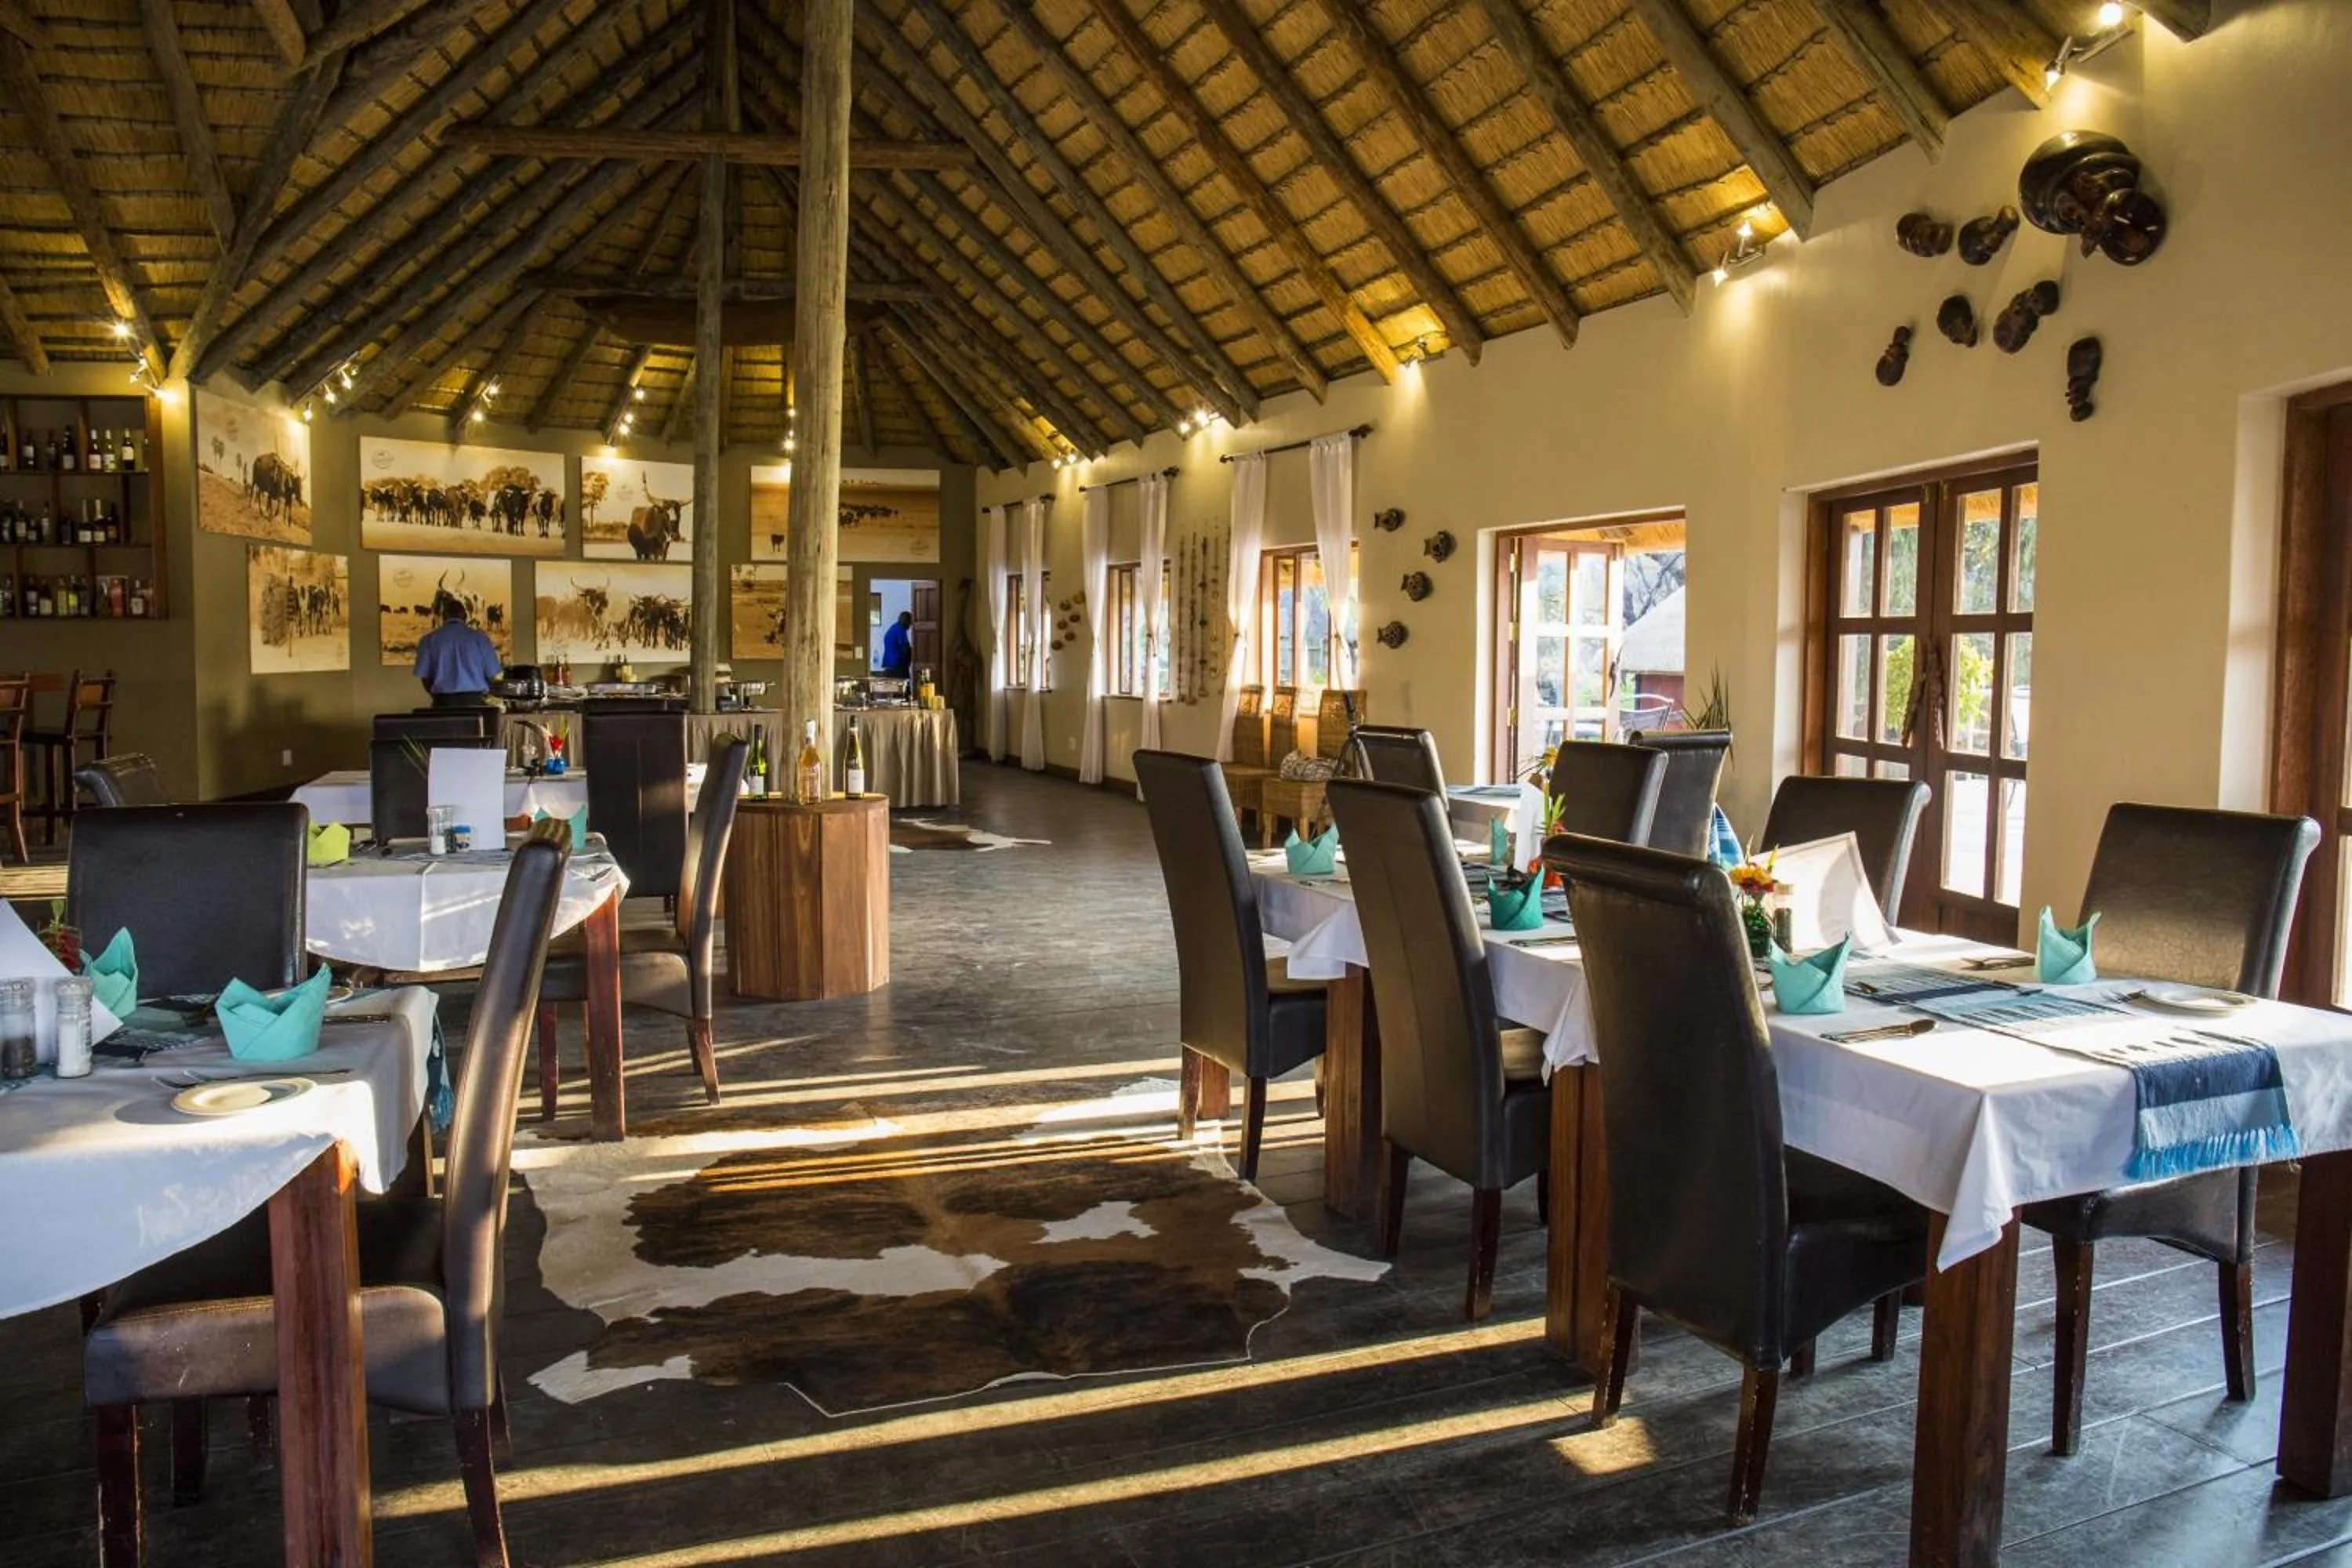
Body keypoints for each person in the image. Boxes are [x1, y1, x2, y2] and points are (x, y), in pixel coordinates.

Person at [414, 593, 503, 706]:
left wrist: (438, 696)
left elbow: (425, 678)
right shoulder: (481, 639)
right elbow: (492, 674)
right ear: (465, 616)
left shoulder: (428, 640)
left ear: (444, 617)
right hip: (474, 702)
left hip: (443, 703)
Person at [880, 609, 915, 679]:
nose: (911, 625)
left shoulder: (893, 628)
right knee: (904, 687)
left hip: (888, 664)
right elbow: (906, 647)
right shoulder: (901, 630)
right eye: (910, 623)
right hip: (898, 665)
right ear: (907, 622)